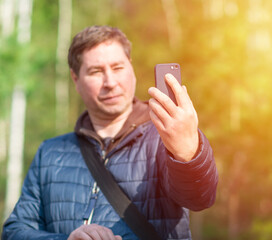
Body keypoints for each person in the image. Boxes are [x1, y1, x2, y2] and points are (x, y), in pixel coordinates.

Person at [2, 25, 218, 240]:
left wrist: (187, 153)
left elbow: (200, 198)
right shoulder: (50, 152)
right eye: (96, 71)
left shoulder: (166, 139)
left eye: (117, 68)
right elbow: (14, 232)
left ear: (131, 69)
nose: (110, 83)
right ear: (76, 80)